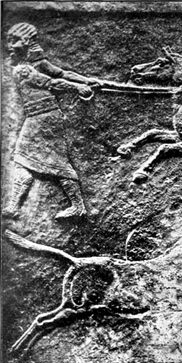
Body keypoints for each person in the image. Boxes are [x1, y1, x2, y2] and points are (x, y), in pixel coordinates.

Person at [3, 22, 97, 220]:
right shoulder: (26, 68)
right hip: (39, 117)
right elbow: (57, 79)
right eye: (9, 40)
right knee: (23, 159)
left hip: (44, 119)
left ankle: (78, 206)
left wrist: (84, 82)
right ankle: (14, 207)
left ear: (27, 41)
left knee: (48, 160)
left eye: (15, 40)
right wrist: (79, 85)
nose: (9, 45)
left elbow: (56, 79)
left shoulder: (25, 69)